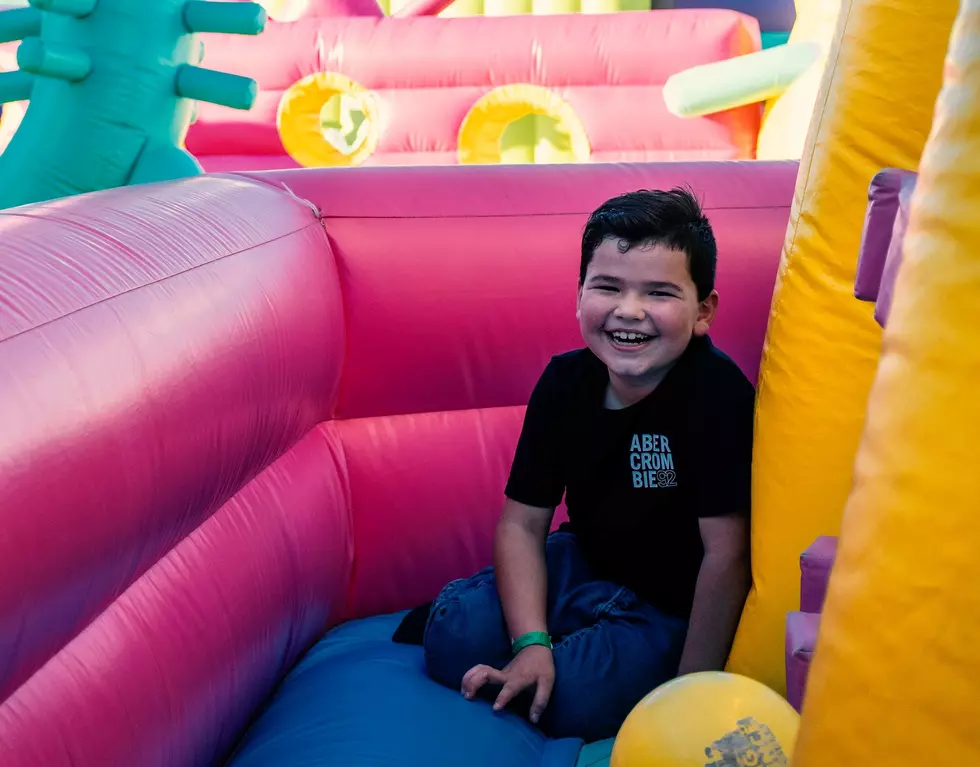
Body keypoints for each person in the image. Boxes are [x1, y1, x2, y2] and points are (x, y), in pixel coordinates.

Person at [392, 187, 754, 743]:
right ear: (579, 295)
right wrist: (530, 645)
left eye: (658, 292)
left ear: (703, 311)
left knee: (577, 699)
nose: (628, 310)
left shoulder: (717, 394)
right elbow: (522, 523)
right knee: (452, 635)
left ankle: (554, 661)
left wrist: (689, 695)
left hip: (662, 606)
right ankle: (534, 646)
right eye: (607, 286)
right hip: (583, 564)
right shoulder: (566, 382)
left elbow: (725, 556)